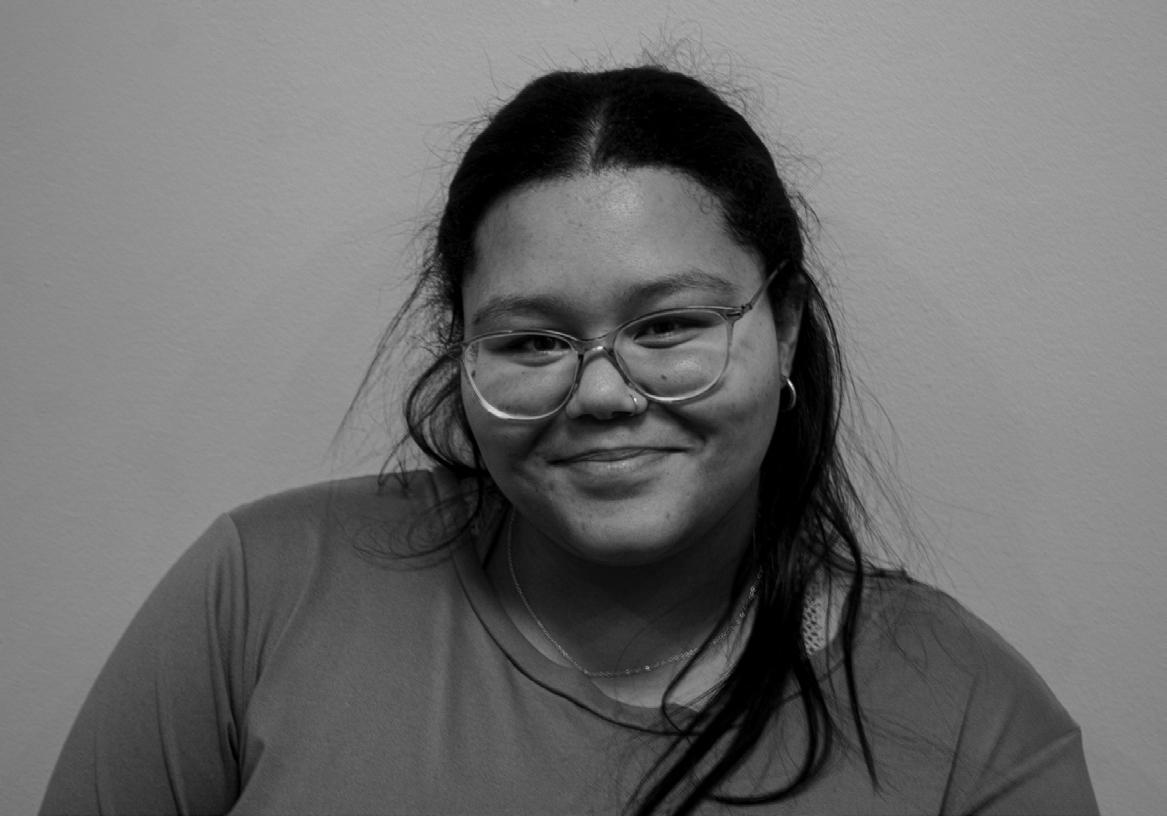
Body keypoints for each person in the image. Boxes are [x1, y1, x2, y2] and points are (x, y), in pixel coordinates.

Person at [40, 65, 1099, 815]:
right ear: (463, 352)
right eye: (532, 340)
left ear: (783, 327)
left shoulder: (973, 727)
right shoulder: (258, 593)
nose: (600, 393)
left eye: (669, 326)